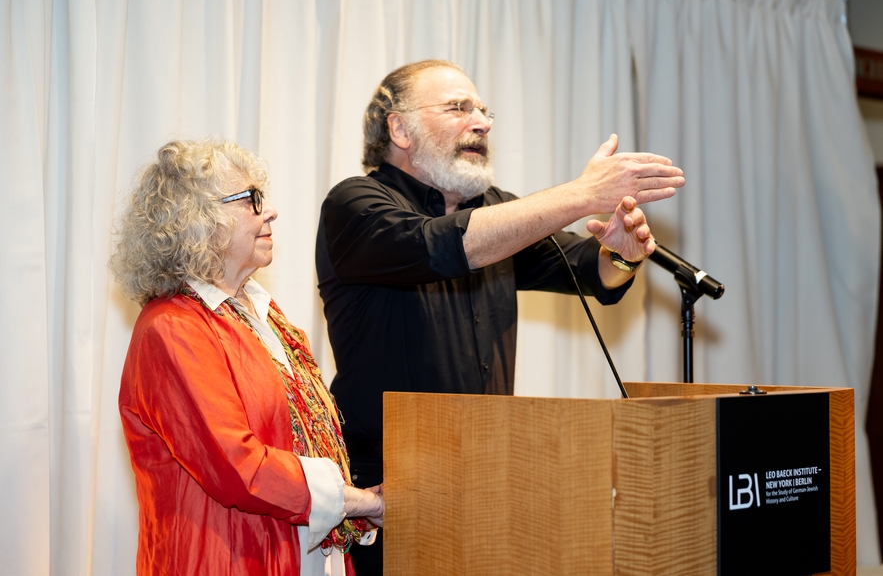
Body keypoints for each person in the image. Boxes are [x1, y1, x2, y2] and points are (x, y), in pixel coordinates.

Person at [315, 60, 685, 573]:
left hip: (489, 480)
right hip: (385, 494)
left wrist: (620, 254)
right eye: (458, 107)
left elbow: (588, 271)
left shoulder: (495, 209)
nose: (482, 122)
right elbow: (441, 247)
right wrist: (580, 194)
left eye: (484, 110)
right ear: (398, 128)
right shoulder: (355, 204)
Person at [111, 138, 384, 576]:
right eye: (252, 200)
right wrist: (361, 501)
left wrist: (352, 508)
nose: (271, 211)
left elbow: (304, 442)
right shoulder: (171, 327)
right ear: (195, 220)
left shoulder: (265, 314)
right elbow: (239, 467)